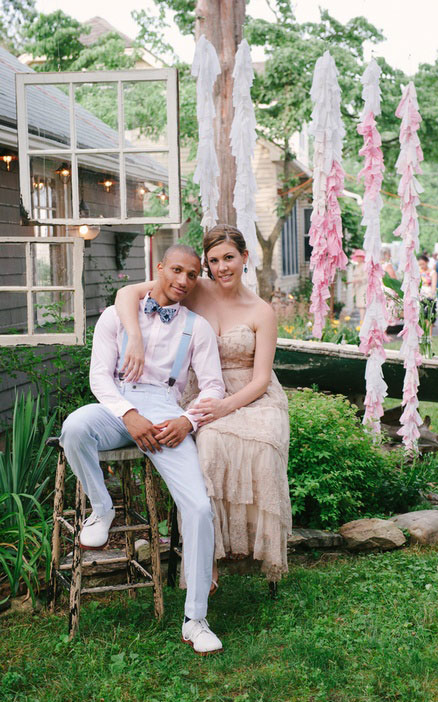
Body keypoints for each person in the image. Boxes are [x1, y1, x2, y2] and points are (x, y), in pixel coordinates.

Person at [60, 245, 225, 656]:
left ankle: (195, 620)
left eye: (192, 274)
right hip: (116, 404)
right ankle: (103, 509)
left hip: (167, 412)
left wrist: (189, 420)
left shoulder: (197, 327)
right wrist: (128, 415)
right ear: (158, 268)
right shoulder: (118, 316)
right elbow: (100, 378)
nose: (183, 281)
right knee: (74, 427)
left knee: (200, 508)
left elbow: (214, 388)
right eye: (176, 270)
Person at [115, 224, 292, 588]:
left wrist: (227, 407)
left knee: (264, 447)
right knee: (208, 446)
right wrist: (134, 336)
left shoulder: (262, 311)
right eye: (214, 260)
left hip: (252, 397)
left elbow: (261, 380)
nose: (222, 267)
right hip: (204, 391)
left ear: (245, 257)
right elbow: (126, 294)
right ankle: (206, 557)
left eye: (229, 258)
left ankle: (257, 550)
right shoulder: (194, 291)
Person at [418, 254, 438, 333]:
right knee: (421, 317)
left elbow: (433, 286)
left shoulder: (432, 273)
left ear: (427, 262)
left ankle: (429, 336)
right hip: (420, 296)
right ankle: (422, 335)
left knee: (428, 317)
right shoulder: (418, 272)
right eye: (420, 264)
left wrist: (431, 295)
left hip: (429, 296)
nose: (421, 266)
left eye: (423, 264)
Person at [350, 249, 367, 324]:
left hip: (363, 287)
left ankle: (363, 321)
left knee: (363, 304)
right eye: (357, 257)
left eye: (359, 256)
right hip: (358, 287)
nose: (358, 258)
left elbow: (366, 277)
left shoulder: (364, 266)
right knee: (360, 305)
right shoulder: (357, 266)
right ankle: (362, 321)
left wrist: (358, 280)